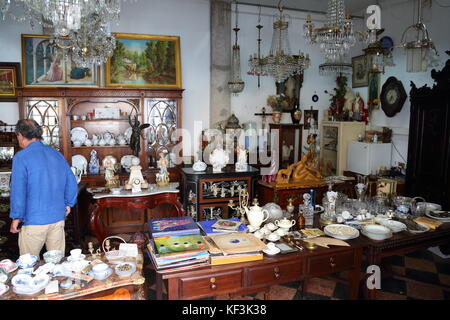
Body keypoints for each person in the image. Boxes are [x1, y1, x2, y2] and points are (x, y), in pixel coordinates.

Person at [9, 119, 78, 257]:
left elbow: (18, 191)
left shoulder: (21, 157)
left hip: (33, 220)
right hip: (57, 218)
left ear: (21, 135)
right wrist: (68, 203)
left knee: (29, 265)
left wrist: (16, 217)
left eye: (18, 136)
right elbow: (71, 181)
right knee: (57, 264)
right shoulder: (56, 154)